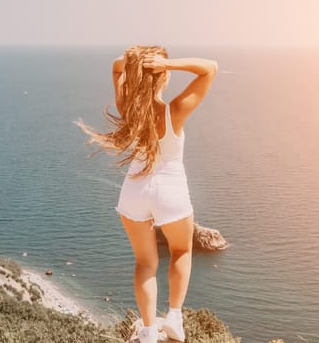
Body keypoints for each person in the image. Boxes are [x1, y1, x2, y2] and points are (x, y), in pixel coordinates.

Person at [76, 44, 218, 343]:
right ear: (161, 76)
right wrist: (169, 63)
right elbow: (210, 68)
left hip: (134, 192)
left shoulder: (127, 107)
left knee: (145, 263)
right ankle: (175, 318)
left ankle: (150, 332)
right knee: (181, 251)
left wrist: (135, 64)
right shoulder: (174, 111)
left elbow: (116, 67)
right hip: (170, 190)